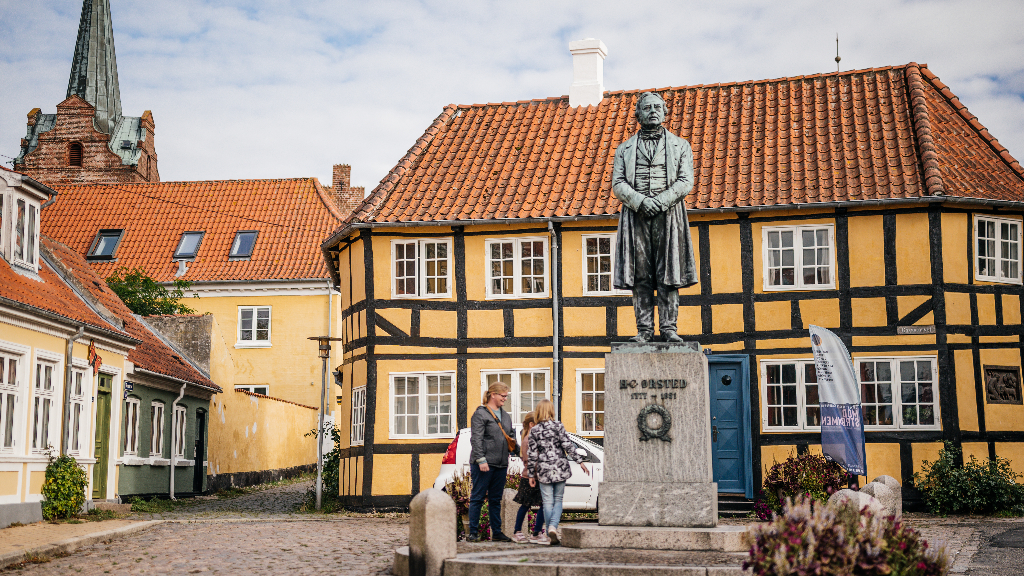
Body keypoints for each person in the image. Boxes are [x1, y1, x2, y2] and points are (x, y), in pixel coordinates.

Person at [611, 91, 697, 343]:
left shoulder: (681, 146)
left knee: (669, 272)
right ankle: (644, 330)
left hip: (669, 215)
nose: (652, 111)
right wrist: (640, 201)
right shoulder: (624, 148)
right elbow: (618, 183)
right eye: (646, 107)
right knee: (641, 274)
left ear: (665, 111)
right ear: (637, 113)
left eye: (657, 107)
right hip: (636, 216)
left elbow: (686, 181)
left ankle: (669, 328)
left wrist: (659, 202)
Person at [526, 399, 588, 545]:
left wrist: (530, 474)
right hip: (560, 467)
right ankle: (553, 526)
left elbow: (532, 454)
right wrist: (580, 461)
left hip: (544, 469)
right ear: (551, 410)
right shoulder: (558, 426)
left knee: (547, 501)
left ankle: (549, 532)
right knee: (558, 499)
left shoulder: (534, 430)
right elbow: (568, 445)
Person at [468, 381, 516, 542]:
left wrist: (522, 454)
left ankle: (497, 532)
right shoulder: (480, 414)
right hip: (483, 464)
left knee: (496, 500)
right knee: (478, 497)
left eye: (506, 396)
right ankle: (473, 532)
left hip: (501, 463)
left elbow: (511, 436)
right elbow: (476, 439)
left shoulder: (506, 416)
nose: (505, 399)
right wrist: (481, 459)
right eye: (503, 396)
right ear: (492, 394)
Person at [511, 413, 546, 544]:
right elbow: (529, 459)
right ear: (532, 425)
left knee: (542, 504)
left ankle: (536, 532)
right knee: (526, 504)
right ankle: (517, 531)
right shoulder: (529, 439)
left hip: (536, 476)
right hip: (529, 477)